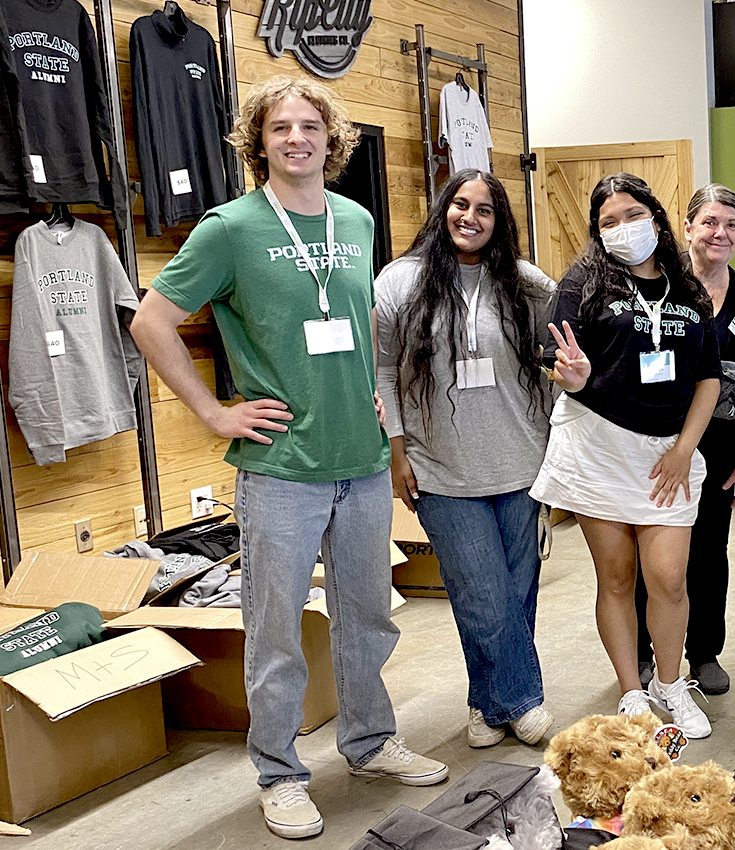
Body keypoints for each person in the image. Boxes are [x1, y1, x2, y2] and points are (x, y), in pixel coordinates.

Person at [130, 76, 447, 841]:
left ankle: (369, 743)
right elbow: (151, 321)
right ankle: (278, 772)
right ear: (257, 141)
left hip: (362, 457)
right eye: (280, 128)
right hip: (280, 466)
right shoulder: (228, 228)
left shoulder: (357, 216)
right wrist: (213, 411)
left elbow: (354, 318)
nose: (297, 138)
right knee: (275, 629)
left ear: (331, 139)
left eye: (310, 126)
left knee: (368, 616)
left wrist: (374, 393)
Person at [529, 173, 721, 738]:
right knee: (615, 578)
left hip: (669, 451)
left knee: (668, 578)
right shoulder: (582, 284)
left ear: (657, 219)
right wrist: (575, 377)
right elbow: (555, 360)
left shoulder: (687, 288)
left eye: (632, 215)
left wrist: (686, 449)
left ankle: (670, 682)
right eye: (608, 221)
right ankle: (632, 692)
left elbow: (708, 377)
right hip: (599, 444)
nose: (622, 229)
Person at [375, 169, 556, 751]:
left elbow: (558, 350)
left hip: (520, 461)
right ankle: (524, 700)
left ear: (499, 222)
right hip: (440, 467)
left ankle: (486, 703)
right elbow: (383, 370)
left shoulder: (524, 283)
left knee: (517, 592)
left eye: (485, 210)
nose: (469, 218)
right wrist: (397, 451)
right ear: (441, 208)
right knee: (479, 592)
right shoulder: (401, 282)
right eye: (460, 204)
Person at [633, 184, 735, 695]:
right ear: (688, 227)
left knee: (709, 552)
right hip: (658, 445)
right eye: (710, 222)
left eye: (731, 225)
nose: (720, 233)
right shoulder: (656, 289)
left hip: (721, 449)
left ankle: (705, 652)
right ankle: (643, 653)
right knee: (648, 554)